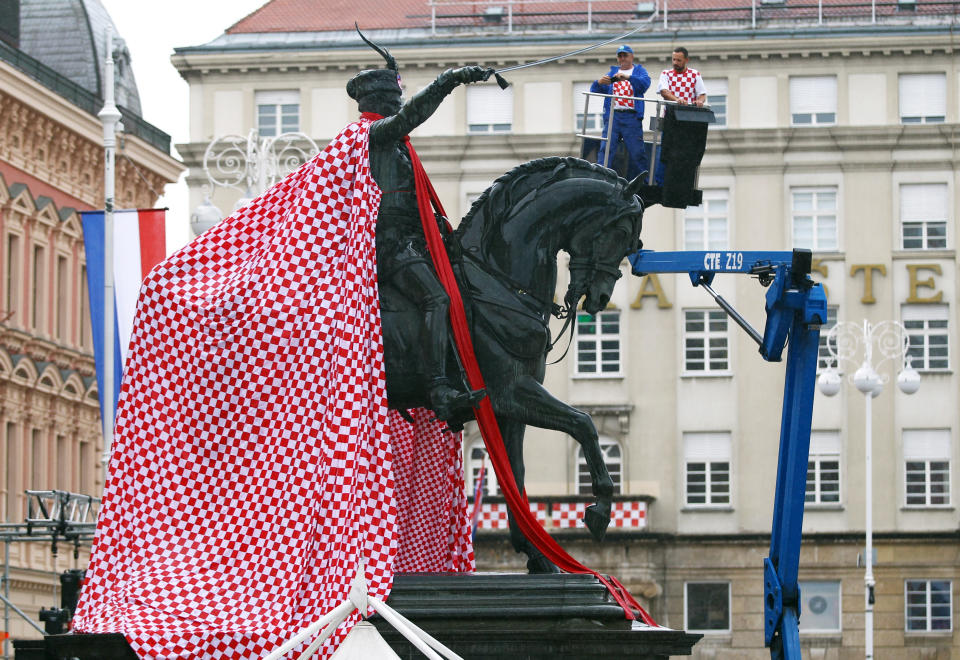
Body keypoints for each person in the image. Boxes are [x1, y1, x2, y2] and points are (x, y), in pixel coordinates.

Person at [347, 37, 488, 422]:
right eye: (392, 99)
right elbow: (412, 115)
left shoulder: (396, 144)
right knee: (436, 300)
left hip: (413, 239)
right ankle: (438, 386)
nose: (398, 104)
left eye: (397, 98)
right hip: (388, 244)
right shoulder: (371, 137)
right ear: (375, 102)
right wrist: (449, 80)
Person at [589, 44, 651, 179]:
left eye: (625, 55)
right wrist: (599, 82)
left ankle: (644, 181)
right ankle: (600, 177)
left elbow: (644, 85)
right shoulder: (612, 72)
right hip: (613, 116)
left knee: (636, 151)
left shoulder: (639, 71)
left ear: (632, 57)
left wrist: (628, 78)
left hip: (631, 117)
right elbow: (594, 90)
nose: (622, 58)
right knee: (606, 149)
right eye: (620, 56)